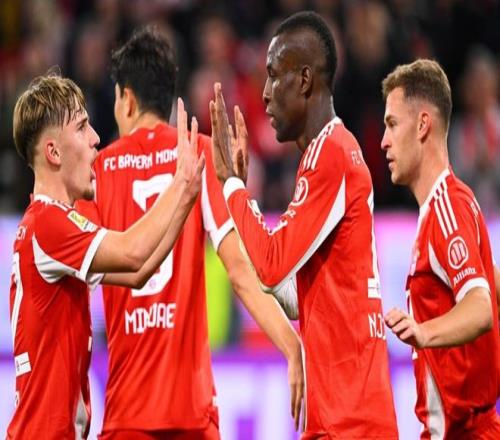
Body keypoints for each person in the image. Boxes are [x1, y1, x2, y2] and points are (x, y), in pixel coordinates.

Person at [76, 26, 304, 439]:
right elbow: (240, 271)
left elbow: (75, 283)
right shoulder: (198, 153)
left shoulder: (98, 171)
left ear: (126, 99)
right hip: (192, 412)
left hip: (127, 413)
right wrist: (292, 346)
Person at [210, 11, 398, 439]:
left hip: (350, 420)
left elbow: (272, 265)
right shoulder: (331, 153)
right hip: (341, 413)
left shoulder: (330, 154)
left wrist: (233, 187)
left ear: (306, 80)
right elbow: (298, 298)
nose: (264, 94)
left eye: (274, 75)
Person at [8, 74, 204, 438]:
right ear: (53, 153)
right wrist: (178, 182)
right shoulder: (48, 224)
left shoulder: (50, 224)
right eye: (82, 127)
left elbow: (138, 273)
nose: (96, 137)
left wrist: (186, 198)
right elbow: (132, 252)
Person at [381, 59, 500, 438]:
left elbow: (480, 307)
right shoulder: (446, 207)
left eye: (392, 124)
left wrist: (423, 331)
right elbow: (489, 283)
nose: (384, 141)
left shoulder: (447, 208)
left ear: (422, 125)